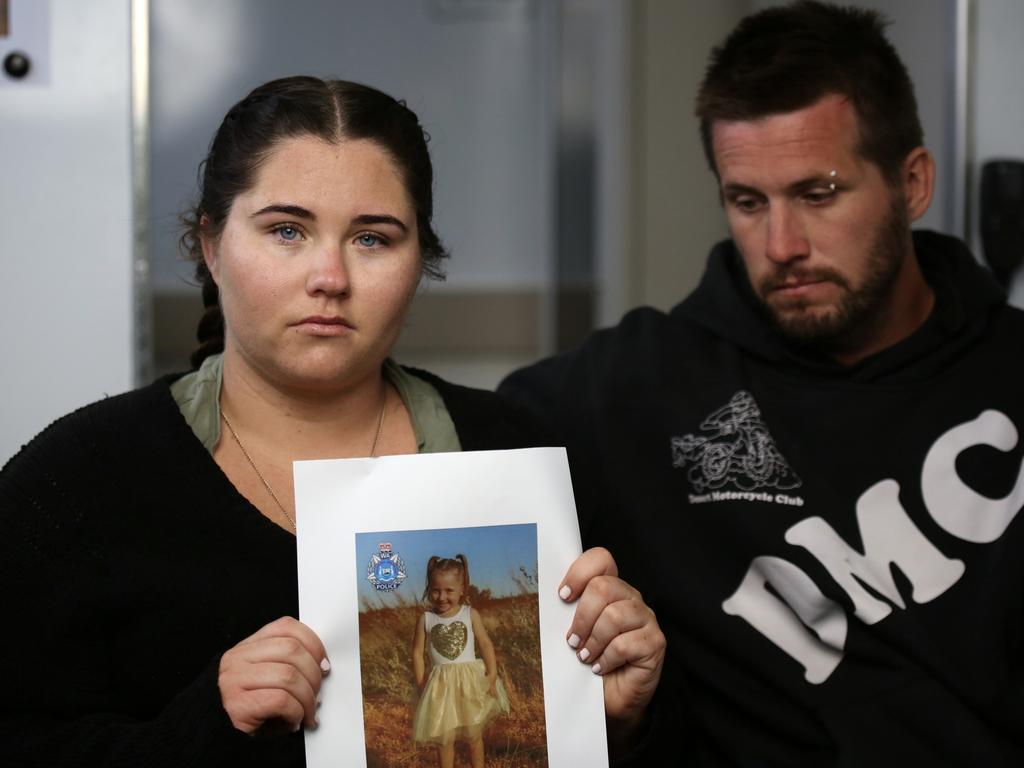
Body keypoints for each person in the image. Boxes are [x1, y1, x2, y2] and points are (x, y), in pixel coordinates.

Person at [0, 76, 664, 766]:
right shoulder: (79, 483)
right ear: (211, 244)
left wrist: (619, 720)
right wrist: (203, 725)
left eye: (372, 239)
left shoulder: (519, 463)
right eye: (286, 230)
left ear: (420, 262)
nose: (330, 276)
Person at [499, 2, 1024, 764]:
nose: (782, 245)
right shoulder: (640, 385)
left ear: (912, 183)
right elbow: (427, 445)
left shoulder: (1009, 369)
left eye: (819, 194)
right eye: (748, 202)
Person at [411, 554, 509, 768]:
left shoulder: (469, 614)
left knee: (474, 736)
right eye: (436, 590)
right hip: (440, 687)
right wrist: (420, 682)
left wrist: (491, 675)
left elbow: (485, 644)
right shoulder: (425, 619)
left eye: (449, 591)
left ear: (462, 588)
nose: (441, 597)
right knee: (444, 739)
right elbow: (417, 653)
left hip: (470, 683)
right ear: (429, 588)